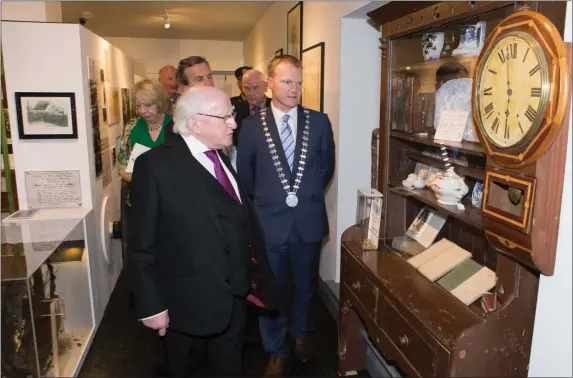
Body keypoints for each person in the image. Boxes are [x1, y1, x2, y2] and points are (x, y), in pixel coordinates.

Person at [128, 86, 277, 377]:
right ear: (195, 124)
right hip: (184, 306)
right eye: (225, 117)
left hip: (234, 298)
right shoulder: (155, 166)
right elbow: (141, 244)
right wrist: (151, 306)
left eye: (232, 115)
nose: (234, 123)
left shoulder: (220, 155)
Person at [237, 55, 335, 377]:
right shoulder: (251, 127)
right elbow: (246, 177)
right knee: (271, 290)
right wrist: (272, 200)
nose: (295, 89)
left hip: (307, 220)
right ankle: (275, 350)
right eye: (287, 81)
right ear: (270, 84)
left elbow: (325, 169)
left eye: (299, 82)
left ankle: (302, 334)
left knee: (306, 286)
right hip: (269, 224)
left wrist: (303, 196)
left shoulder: (319, 122)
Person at [117, 79, 173, 292]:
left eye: (148, 105)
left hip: (170, 201)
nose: (143, 111)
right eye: (139, 106)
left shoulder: (174, 125)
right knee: (144, 249)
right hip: (140, 199)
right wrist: (141, 179)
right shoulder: (131, 128)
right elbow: (122, 165)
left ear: (159, 102)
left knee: (169, 249)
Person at [233, 69, 272, 146]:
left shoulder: (276, 108)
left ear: (265, 87)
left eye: (255, 87)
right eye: (246, 88)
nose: (251, 93)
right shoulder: (236, 110)